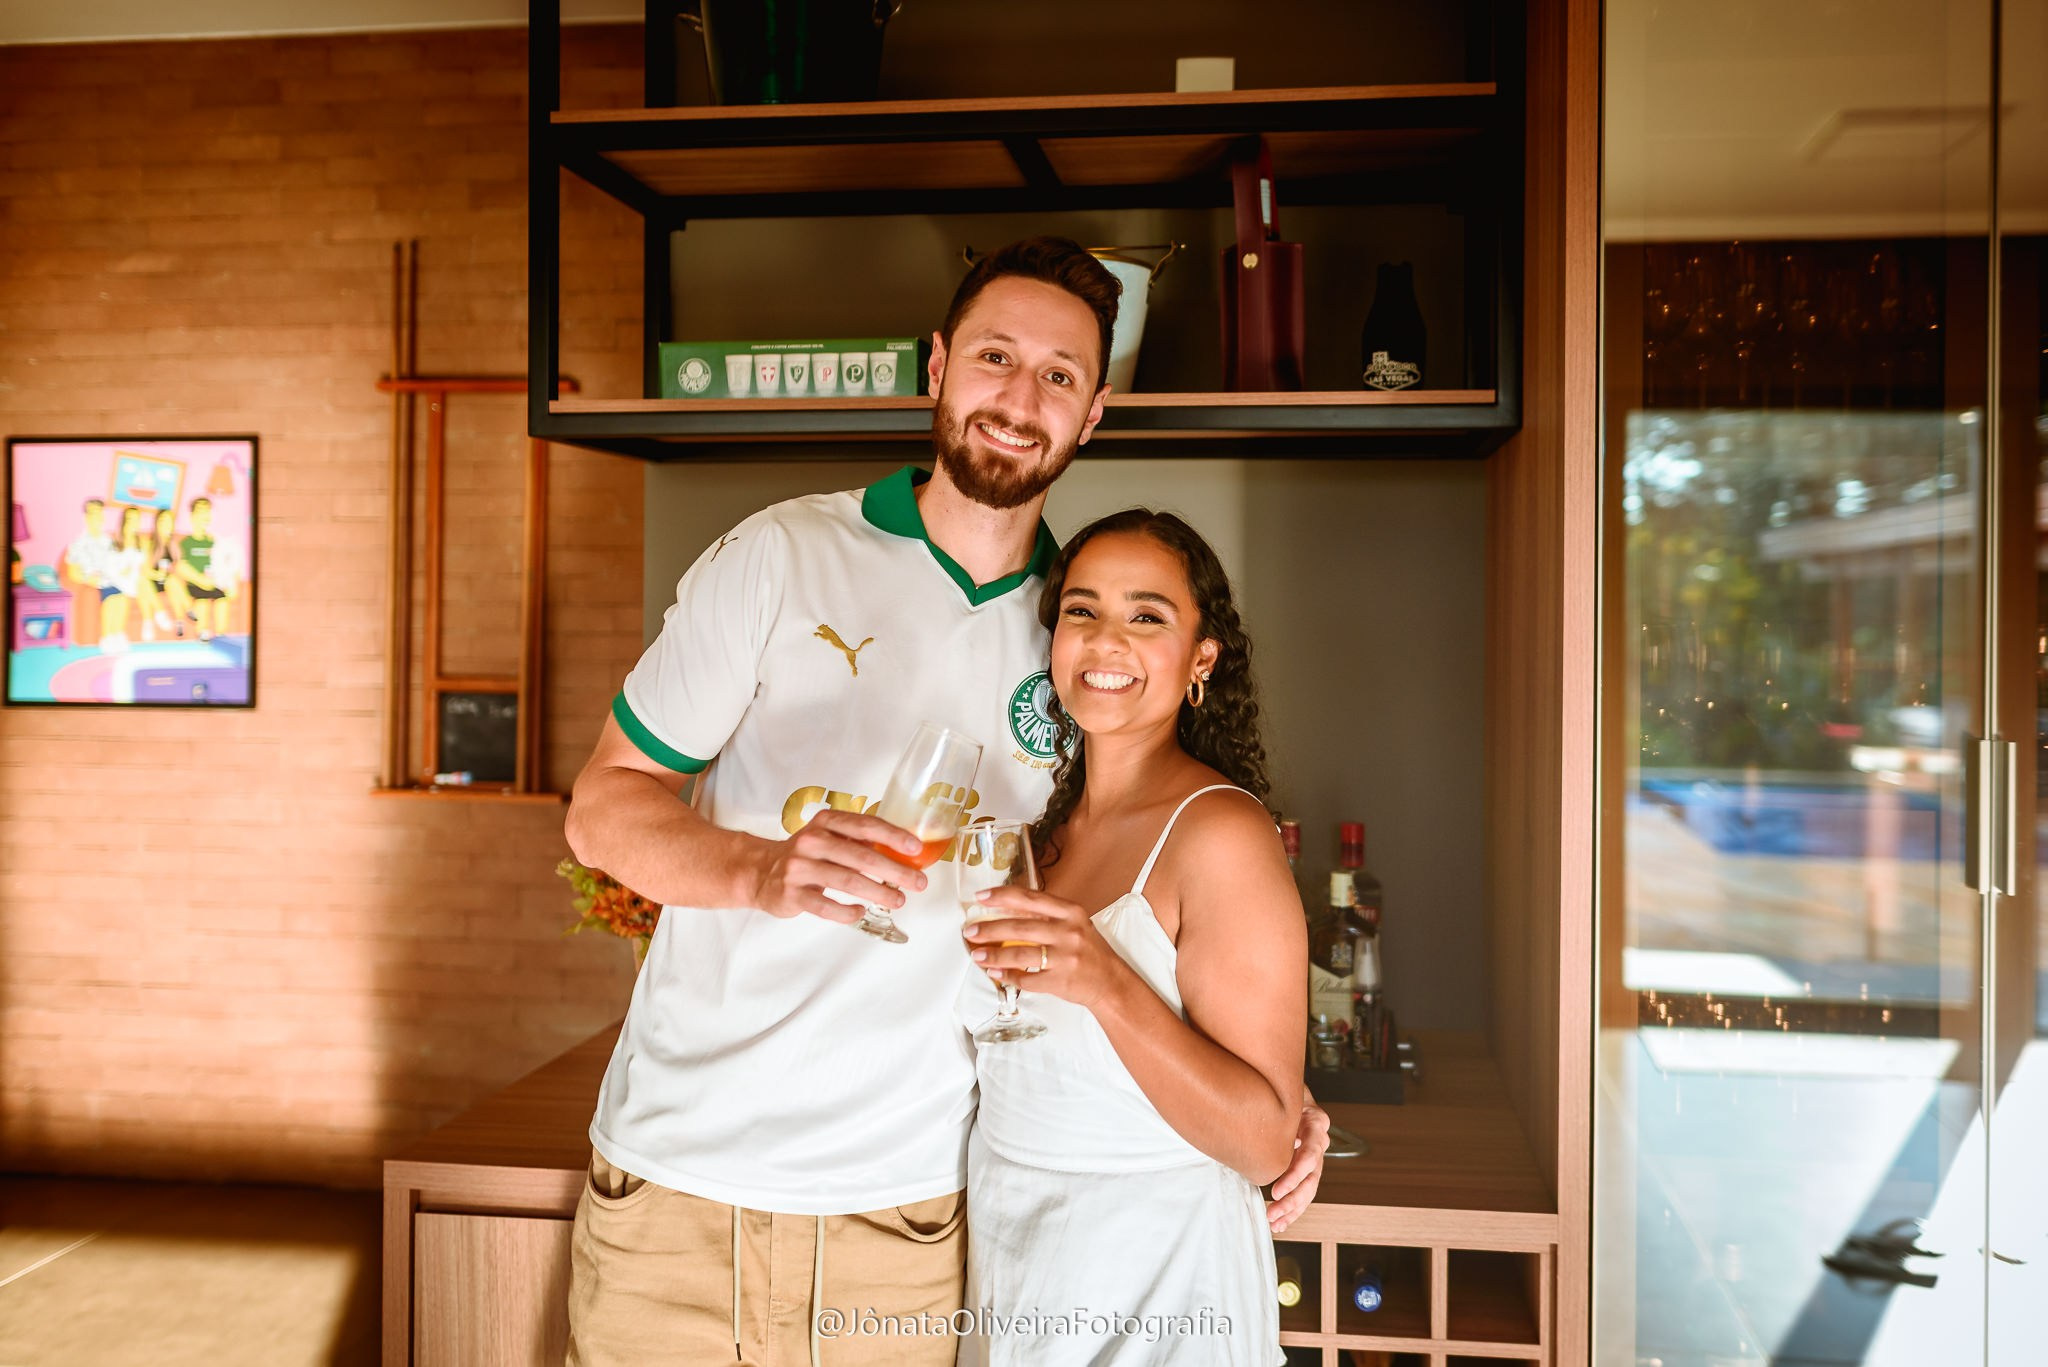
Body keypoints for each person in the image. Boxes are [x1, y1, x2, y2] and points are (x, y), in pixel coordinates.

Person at [562, 236, 1328, 1367]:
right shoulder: (778, 556)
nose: (1020, 400)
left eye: (1059, 376)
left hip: (912, 1212)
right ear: (936, 367)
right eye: (994, 358)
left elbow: (1157, 901)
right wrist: (760, 870)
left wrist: (1271, 1090)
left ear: (1093, 412)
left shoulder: (1081, 642)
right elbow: (602, 809)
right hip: (679, 1176)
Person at [956, 510, 1302, 1365]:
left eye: (1147, 616)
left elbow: (1262, 1138)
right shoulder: (1041, 833)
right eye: (1082, 610)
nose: (1106, 640)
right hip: (1014, 1263)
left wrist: (1107, 982)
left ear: (1201, 659)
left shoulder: (1220, 833)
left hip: (1159, 1285)